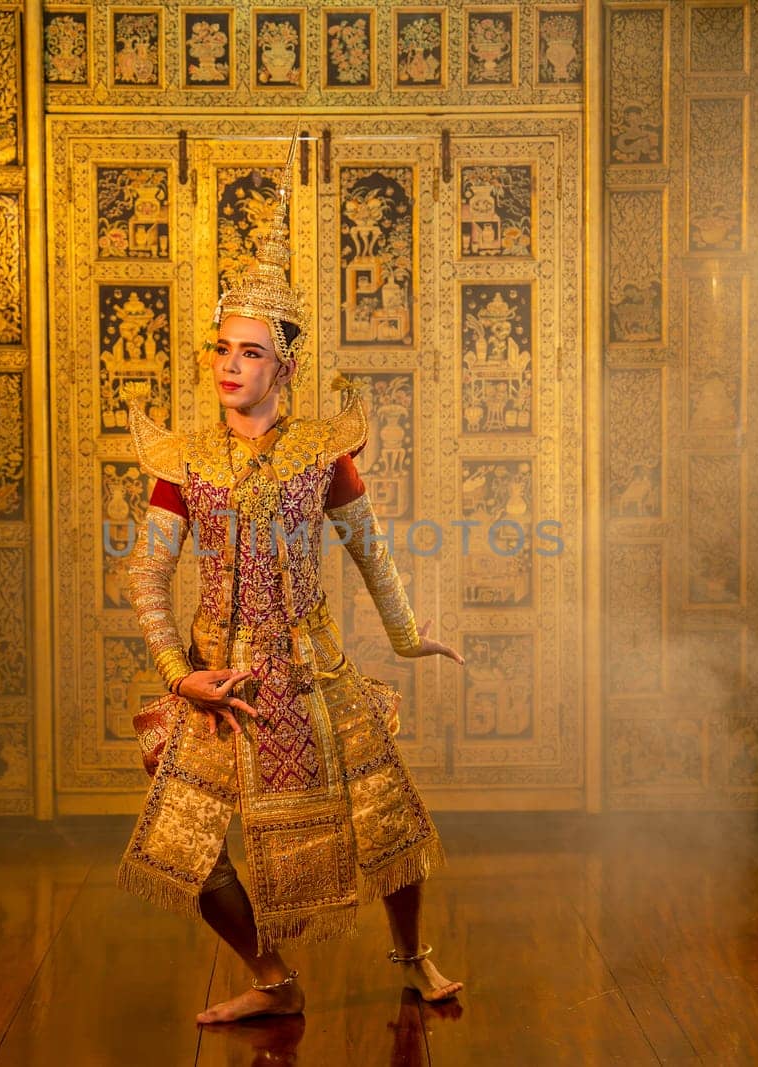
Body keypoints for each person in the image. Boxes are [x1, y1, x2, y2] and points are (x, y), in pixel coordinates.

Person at [117, 151, 464, 1025]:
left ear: (285, 367)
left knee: (392, 822)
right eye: (221, 349)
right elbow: (148, 570)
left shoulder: (322, 452)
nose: (229, 365)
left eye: (250, 352)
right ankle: (274, 979)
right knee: (187, 849)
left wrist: (408, 634)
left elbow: (372, 553)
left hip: (314, 671)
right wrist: (175, 672)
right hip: (219, 681)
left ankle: (415, 958)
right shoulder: (182, 460)